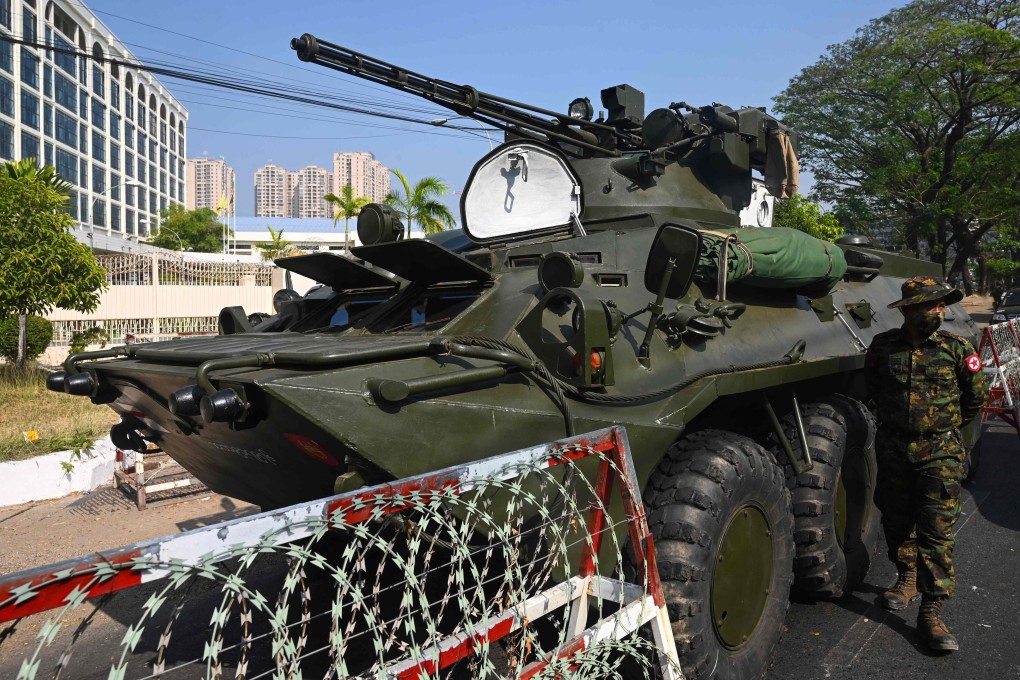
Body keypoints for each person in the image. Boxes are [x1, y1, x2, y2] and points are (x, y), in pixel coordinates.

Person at [865, 276, 988, 652]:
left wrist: (942, 432)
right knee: (898, 520)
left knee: (936, 532)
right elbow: (873, 389)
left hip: (939, 453)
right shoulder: (883, 347)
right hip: (894, 450)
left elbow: (974, 398)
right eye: (931, 304)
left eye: (941, 305)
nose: (940, 310)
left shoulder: (956, 347)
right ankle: (906, 579)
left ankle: (931, 613)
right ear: (910, 309)